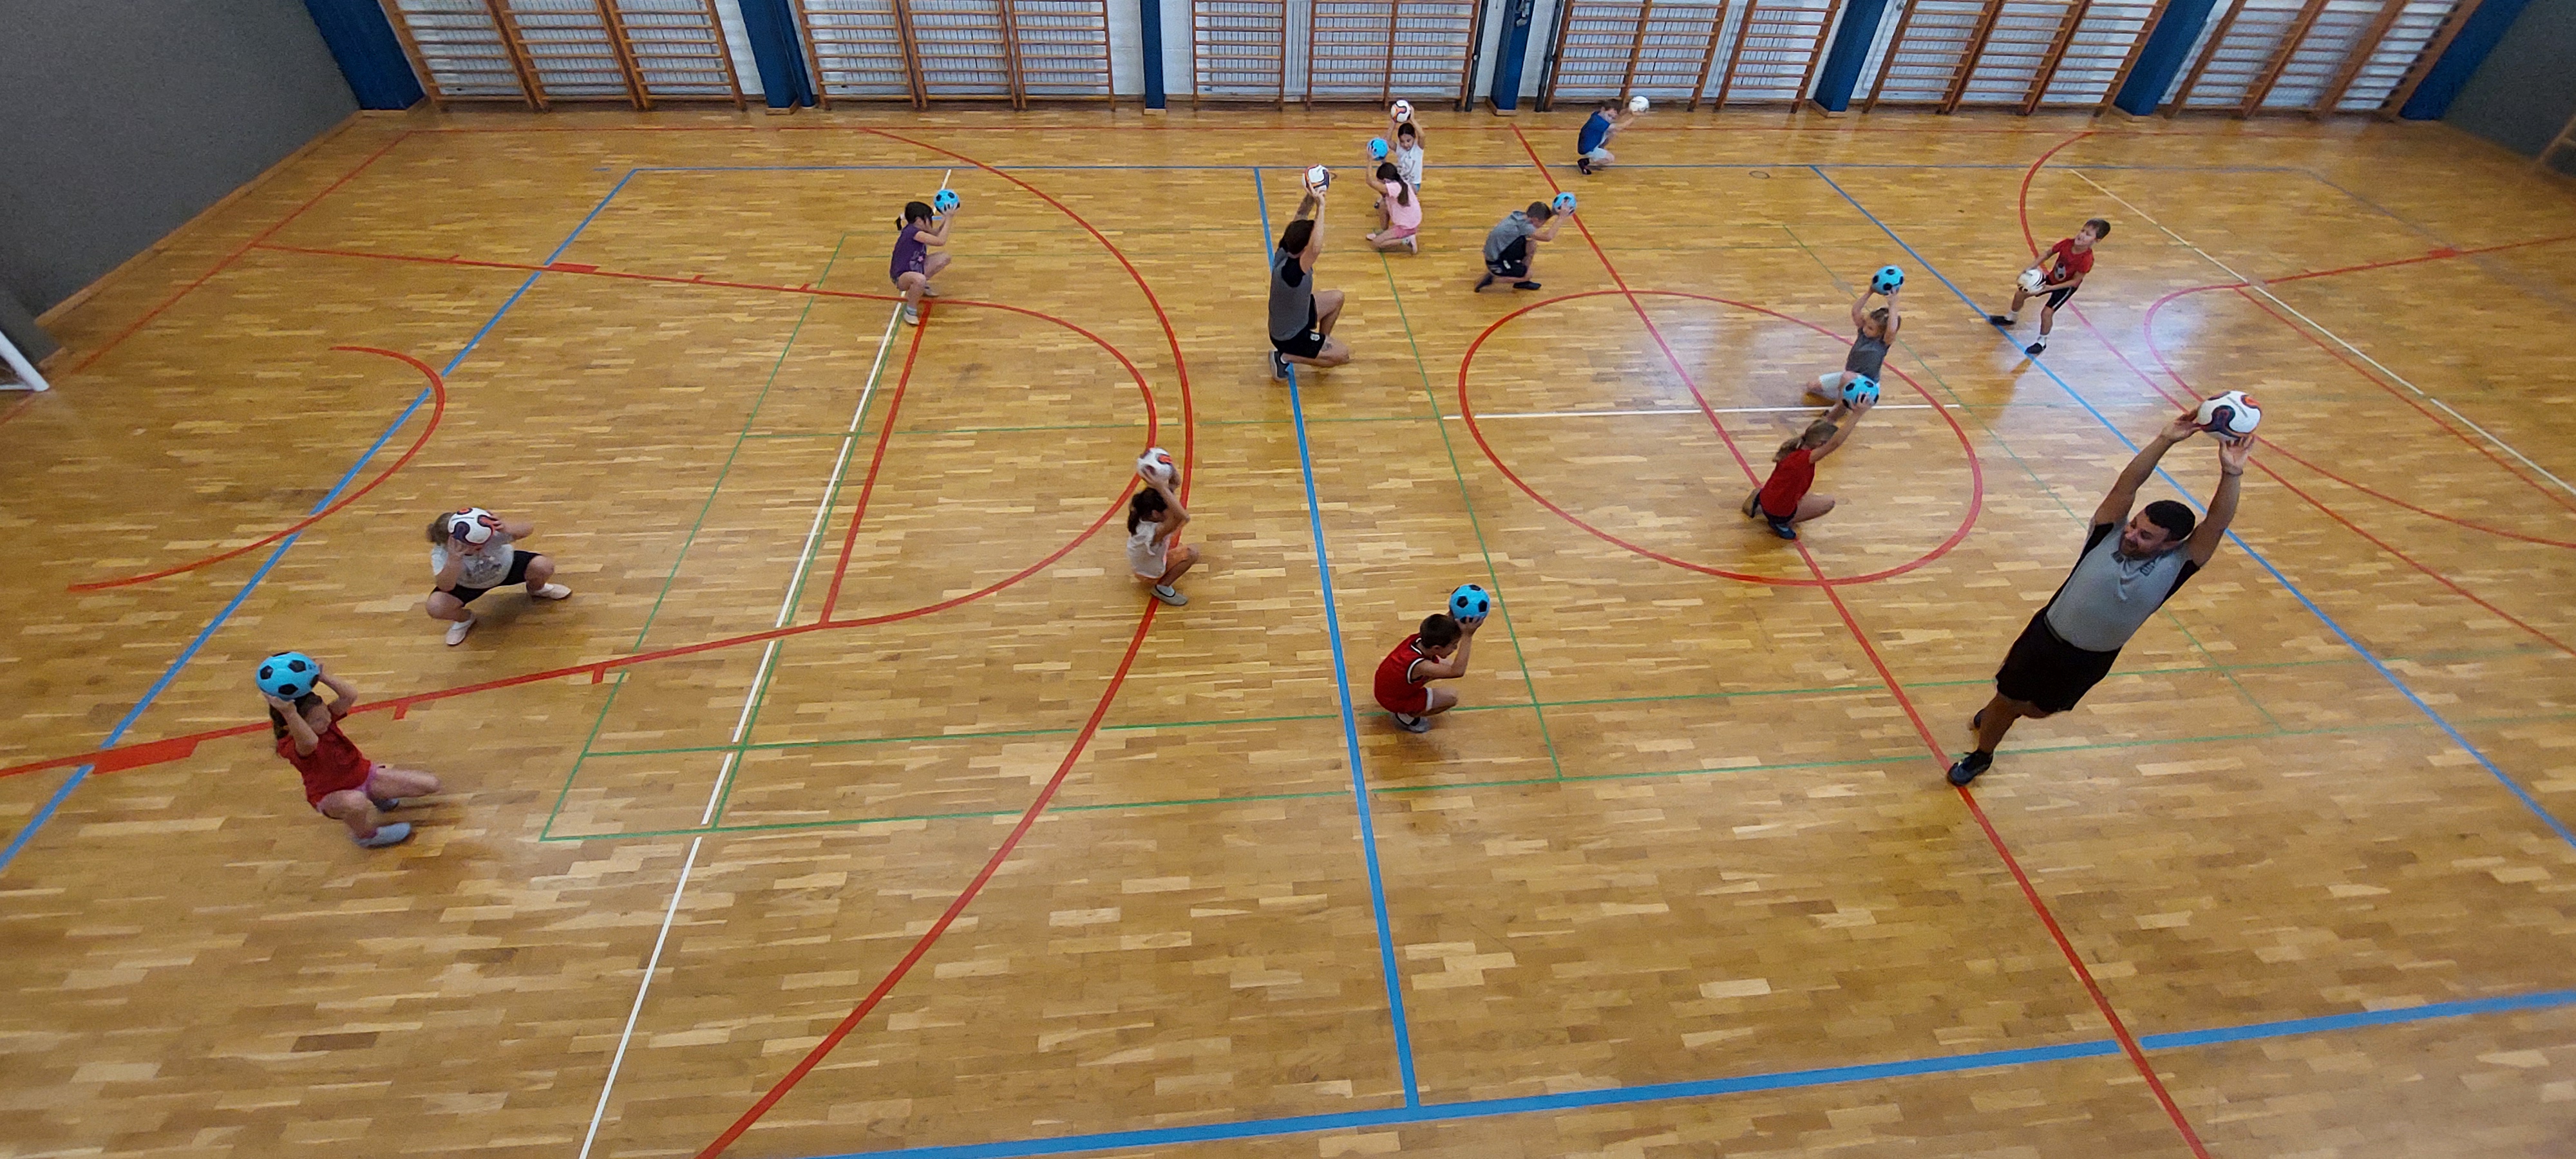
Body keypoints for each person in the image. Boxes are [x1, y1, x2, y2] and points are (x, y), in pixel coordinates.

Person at [1946, 414, 2254, 786]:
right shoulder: (2106, 533)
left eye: (2146, 536)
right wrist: (2165, 439)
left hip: (2090, 660)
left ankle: (2007, 710)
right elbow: (2127, 485)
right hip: (2045, 637)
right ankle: (1983, 754)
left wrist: (2232, 473)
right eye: (2135, 525)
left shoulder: (2178, 565)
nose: (2131, 534)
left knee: (2037, 711)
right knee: (2007, 701)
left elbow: (2216, 523)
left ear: (2171, 544)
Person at [261, 659, 440, 848]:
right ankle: (366, 836)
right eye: (319, 720)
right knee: (356, 802)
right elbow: (310, 742)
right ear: (295, 725)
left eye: (326, 714)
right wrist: (289, 713)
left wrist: (323, 678)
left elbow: (350, 696)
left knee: (431, 784)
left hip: (364, 776)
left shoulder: (325, 723)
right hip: (332, 796)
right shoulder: (292, 745)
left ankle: (377, 796)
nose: (327, 719)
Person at [425, 509, 571, 646]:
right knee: (436, 607)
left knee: (543, 566)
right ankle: (465, 620)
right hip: (469, 585)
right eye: (471, 545)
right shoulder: (441, 554)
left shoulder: (486, 534)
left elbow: (528, 529)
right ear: (449, 543)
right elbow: (446, 587)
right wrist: (454, 560)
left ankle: (537, 589)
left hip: (507, 569)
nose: (480, 546)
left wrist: (506, 527)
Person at [1740, 398, 1871, 540]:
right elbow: (1835, 443)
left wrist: (1844, 404)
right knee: (1828, 502)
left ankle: (1760, 499)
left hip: (1768, 496)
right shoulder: (1804, 459)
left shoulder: (1798, 446)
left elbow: (1826, 421)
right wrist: (1857, 414)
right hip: (1777, 512)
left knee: (1806, 495)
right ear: (1821, 444)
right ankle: (1780, 523)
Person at [1987, 217, 2108, 356]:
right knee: (2021, 293)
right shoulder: (2067, 243)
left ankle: (2042, 341)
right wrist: (2031, 267)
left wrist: (2050, 288)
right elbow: (2047, 253)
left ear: (2097, 240)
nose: (2082, 235)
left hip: (2065, 288)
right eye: (2082, 231)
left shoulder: (2086, 259)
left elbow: (2075, 282)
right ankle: (2011, 318)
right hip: (2053, 278)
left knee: (2047, 313)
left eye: (2088, 234)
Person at [1269, 190, 1350, 378]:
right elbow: (1315, 248)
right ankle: (1284, 357)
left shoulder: (1287, 246)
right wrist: (1322, 207)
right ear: (1305, 249)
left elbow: (1301, 213)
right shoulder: (1292, 272)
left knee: (1337, 298)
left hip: (1297, 314)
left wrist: (1313, 193)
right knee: (1343, 355)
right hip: (1289, 336)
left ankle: (1319, 344)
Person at [1373, 612, 1481, 733]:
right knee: (1451, 697)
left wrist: (1454, 612)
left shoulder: (1422, 638)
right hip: (1393, 700)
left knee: (1448, 664)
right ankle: (1406, 717)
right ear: (1436, 648)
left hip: (1389, 687)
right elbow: (1457, 671)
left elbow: (1440, 627)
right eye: (1454, 645)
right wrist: (1468, 636)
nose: (1455, 648)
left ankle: (1411, 702)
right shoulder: (1421, 666)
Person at [1806, 285, 1900, 404]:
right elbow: (1855, 311)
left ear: (1881, 332)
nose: (1865, 329)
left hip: (1868, 385)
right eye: (1866, 325)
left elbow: (1892, 330)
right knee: (1811, 386)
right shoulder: (1863, 333)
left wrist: (1893, 305)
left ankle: (1840, 406)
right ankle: (1845, 393)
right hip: (1851, 376)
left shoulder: (1882, 343)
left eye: (1870, 328)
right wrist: (1869, 292)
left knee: (1846, 378)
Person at [1126, 467, 1197, 608]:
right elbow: (1184, 517)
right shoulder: (1151, 532)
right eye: (1167, 509)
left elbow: (1175, 483)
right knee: (1193, 553)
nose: (1170, 509)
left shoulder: (1141, 511)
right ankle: (1162, 587)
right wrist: (1161, 487)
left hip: (1143, 565)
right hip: (1149, 575)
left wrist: (1168, 466)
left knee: (1176, 542)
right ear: (1156, 514)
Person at [891, 199, 959, 327]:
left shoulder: (917, 229)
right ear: (919, 220)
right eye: (928, 219)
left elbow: (937, 233)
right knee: (920, 279)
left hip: (915, 268)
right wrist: (949, 219)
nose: (930, 221)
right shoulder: (914, 233)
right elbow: (940, 241)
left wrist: (946, 217)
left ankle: (920, 286)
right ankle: (910, 311)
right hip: (902, 276)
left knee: (944, 258)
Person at [1477, 201, 1562, 292]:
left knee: (1531, 243)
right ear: (1536, 219)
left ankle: (1521, 279)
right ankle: (1493, 279)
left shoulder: (1521, 216)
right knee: (1528, 275)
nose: (1542, 225)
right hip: (1495, 261)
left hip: (1501, 249)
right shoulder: (1526, 226)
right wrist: (1562, 217)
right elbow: (1548, 237)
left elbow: (1541, 217)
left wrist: (1555, 212)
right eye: (1543, 223)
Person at [1364, 162, 1421, 253]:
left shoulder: (1395, 187)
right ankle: (1384, 231)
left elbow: (1370, 182)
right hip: (1411, 220)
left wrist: (1369, 160)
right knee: (1383, 204)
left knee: (1376, 243)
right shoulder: (1399, 182)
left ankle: (1407, 240)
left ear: (1385, 180)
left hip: (1406, 227)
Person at [1575, 100, 1637, 176]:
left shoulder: (1598, 115)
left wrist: (1628, 110)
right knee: (1610, 159)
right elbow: (1619, 127)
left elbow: (1618, 115)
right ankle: (1586, 161)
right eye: (1612, 112)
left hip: (1591, 141)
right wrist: (1634, 117)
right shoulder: (1598, 122)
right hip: (1588, 148)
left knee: (1612, 133)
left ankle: (1600, 148)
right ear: (1603, 109)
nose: (1614, 115)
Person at [1389, 120, 1425, 191]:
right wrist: (1393, 123)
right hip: (1401, 182)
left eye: (1408, 141)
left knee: (1407, 191)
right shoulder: (1399, 148)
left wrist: (1412, 119)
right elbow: (1387, 140)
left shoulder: (1418, 148)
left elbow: (1422, 135)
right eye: (1402, 141)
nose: (1405, 144)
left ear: (1414, 137)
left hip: (1414, 184)